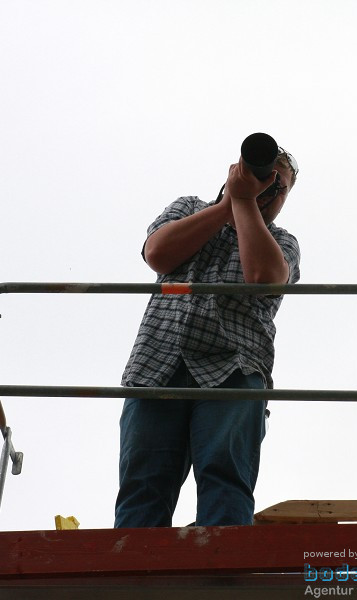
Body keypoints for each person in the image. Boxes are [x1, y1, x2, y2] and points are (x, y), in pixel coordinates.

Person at [114, 145, 300, 528]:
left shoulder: (283, 242)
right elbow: (158, 253)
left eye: (279, 188)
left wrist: (246, 203)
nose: (270, 190)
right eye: (263, 176)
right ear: (234, 172)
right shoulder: (188, 208)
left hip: (234, 369)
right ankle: (131, 580)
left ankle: (221, 578)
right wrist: (230, 204)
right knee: (142, 485)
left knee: (226, 482)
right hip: (157, 365)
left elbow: (264, 278)